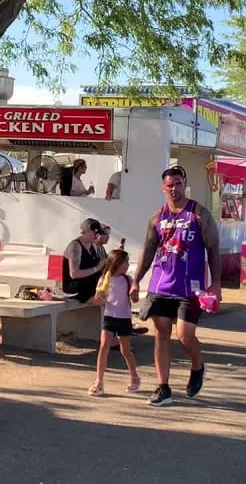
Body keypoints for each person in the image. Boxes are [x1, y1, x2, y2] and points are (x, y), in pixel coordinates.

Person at [130, 165, 221, 407]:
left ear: (185, 184)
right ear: (163, 188)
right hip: (161, 284)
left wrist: (216, 283)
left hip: (190, 287)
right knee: (161, 332)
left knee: (184, 335)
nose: (174, 189)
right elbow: (148, 249)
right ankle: (163, 387)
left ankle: (197, 366)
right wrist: (136, 280)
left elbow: (213, 249)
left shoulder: (199, 214)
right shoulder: (157, 216)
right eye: (170, 185)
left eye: (178, 184)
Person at [89, 249, 140, 396]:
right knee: (104, 346)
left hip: (124, 317)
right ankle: (99, 381)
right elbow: (98, 301)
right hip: (109, 316)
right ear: (116, 263)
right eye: (125, 262)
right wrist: (100, 297)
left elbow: (134, 300)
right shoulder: (105, 278)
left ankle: (134, 377)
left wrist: (135, 295)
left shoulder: (128, 280)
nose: (127, 265)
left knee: (125, 350)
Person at [62, 219, 104, 303]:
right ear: (86, 231)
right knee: (108, 304)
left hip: (90, 289)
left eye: (99, 233)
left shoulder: (93, 245)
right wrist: (96, 268)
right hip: (76, 291)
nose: (97, 235)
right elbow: (74, 274)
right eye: (95, 232)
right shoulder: (75, 246)